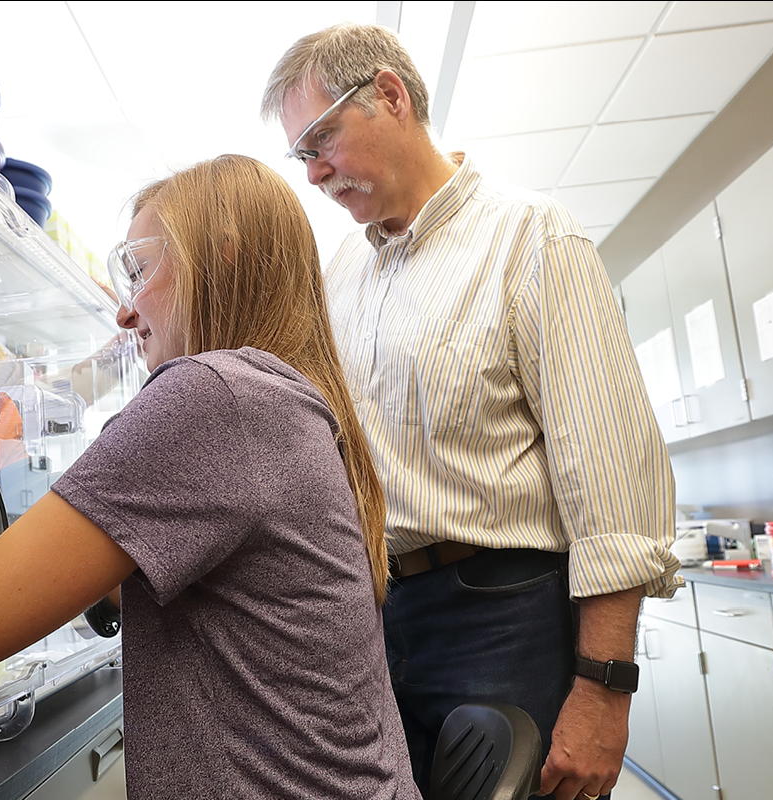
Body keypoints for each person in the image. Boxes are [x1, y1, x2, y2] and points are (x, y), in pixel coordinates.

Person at [0, 154, 421, 799]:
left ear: (221, 257)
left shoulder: (213, 396)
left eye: (140, 271)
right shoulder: (281, 399)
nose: (125, 314)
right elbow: (136, 588)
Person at [262, 24, 681, 800]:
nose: (314, 173)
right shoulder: (344, 273)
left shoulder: (530, 237)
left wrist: (603, 690)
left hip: (505, 610)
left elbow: (612, 487)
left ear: (389, 95)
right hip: (378, 617)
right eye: (302, 155)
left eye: (322, 140)